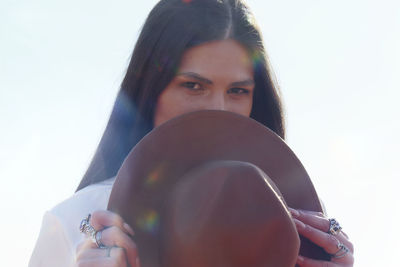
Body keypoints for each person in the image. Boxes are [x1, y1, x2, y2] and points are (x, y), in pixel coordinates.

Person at [29, 0, 354, 266]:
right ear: (150, 91)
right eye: (193, 86)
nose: (219, 109)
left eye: (238, 91)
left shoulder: (292, 219)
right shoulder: (73, 223)